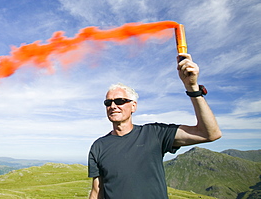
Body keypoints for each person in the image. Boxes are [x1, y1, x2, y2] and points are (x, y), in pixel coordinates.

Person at [88, 53, 222, 199]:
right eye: (108, 103)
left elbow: (209, 133)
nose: (113, 106)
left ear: (133, 106)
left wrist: (192, 87)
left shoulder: (155, 134)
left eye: (119, 101)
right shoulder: (99, 146)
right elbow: (97, 191)